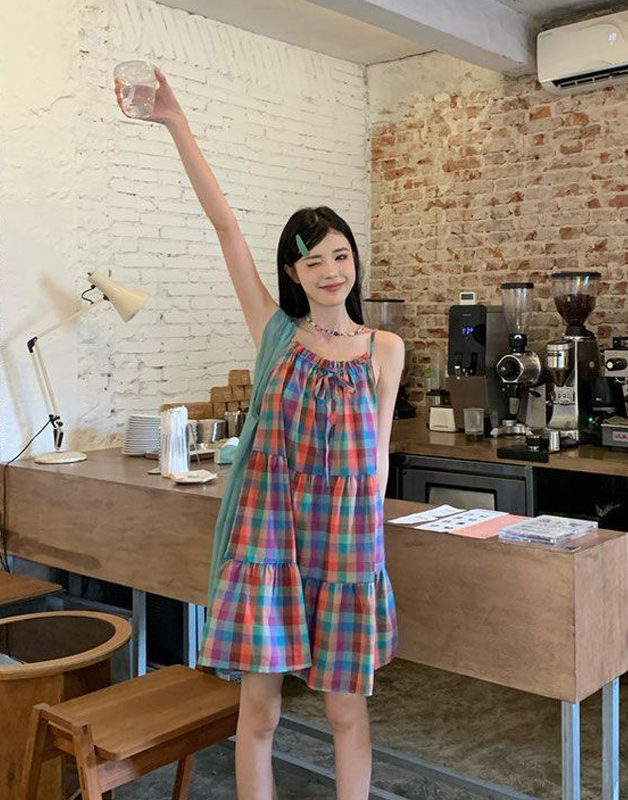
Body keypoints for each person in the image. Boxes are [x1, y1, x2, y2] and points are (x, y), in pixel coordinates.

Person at [114, 68, 404, 800]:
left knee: (345, 711)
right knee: (260, 711)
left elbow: (376, 460)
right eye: (315, 259)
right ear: (294, 272)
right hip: (268, 533)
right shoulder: (275, 332)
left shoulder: (385, 349)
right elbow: (226, 227)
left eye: (341, 255)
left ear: (355, 261)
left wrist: (371, 537)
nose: (331, 270)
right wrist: (176, 122)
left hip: (344, 539)